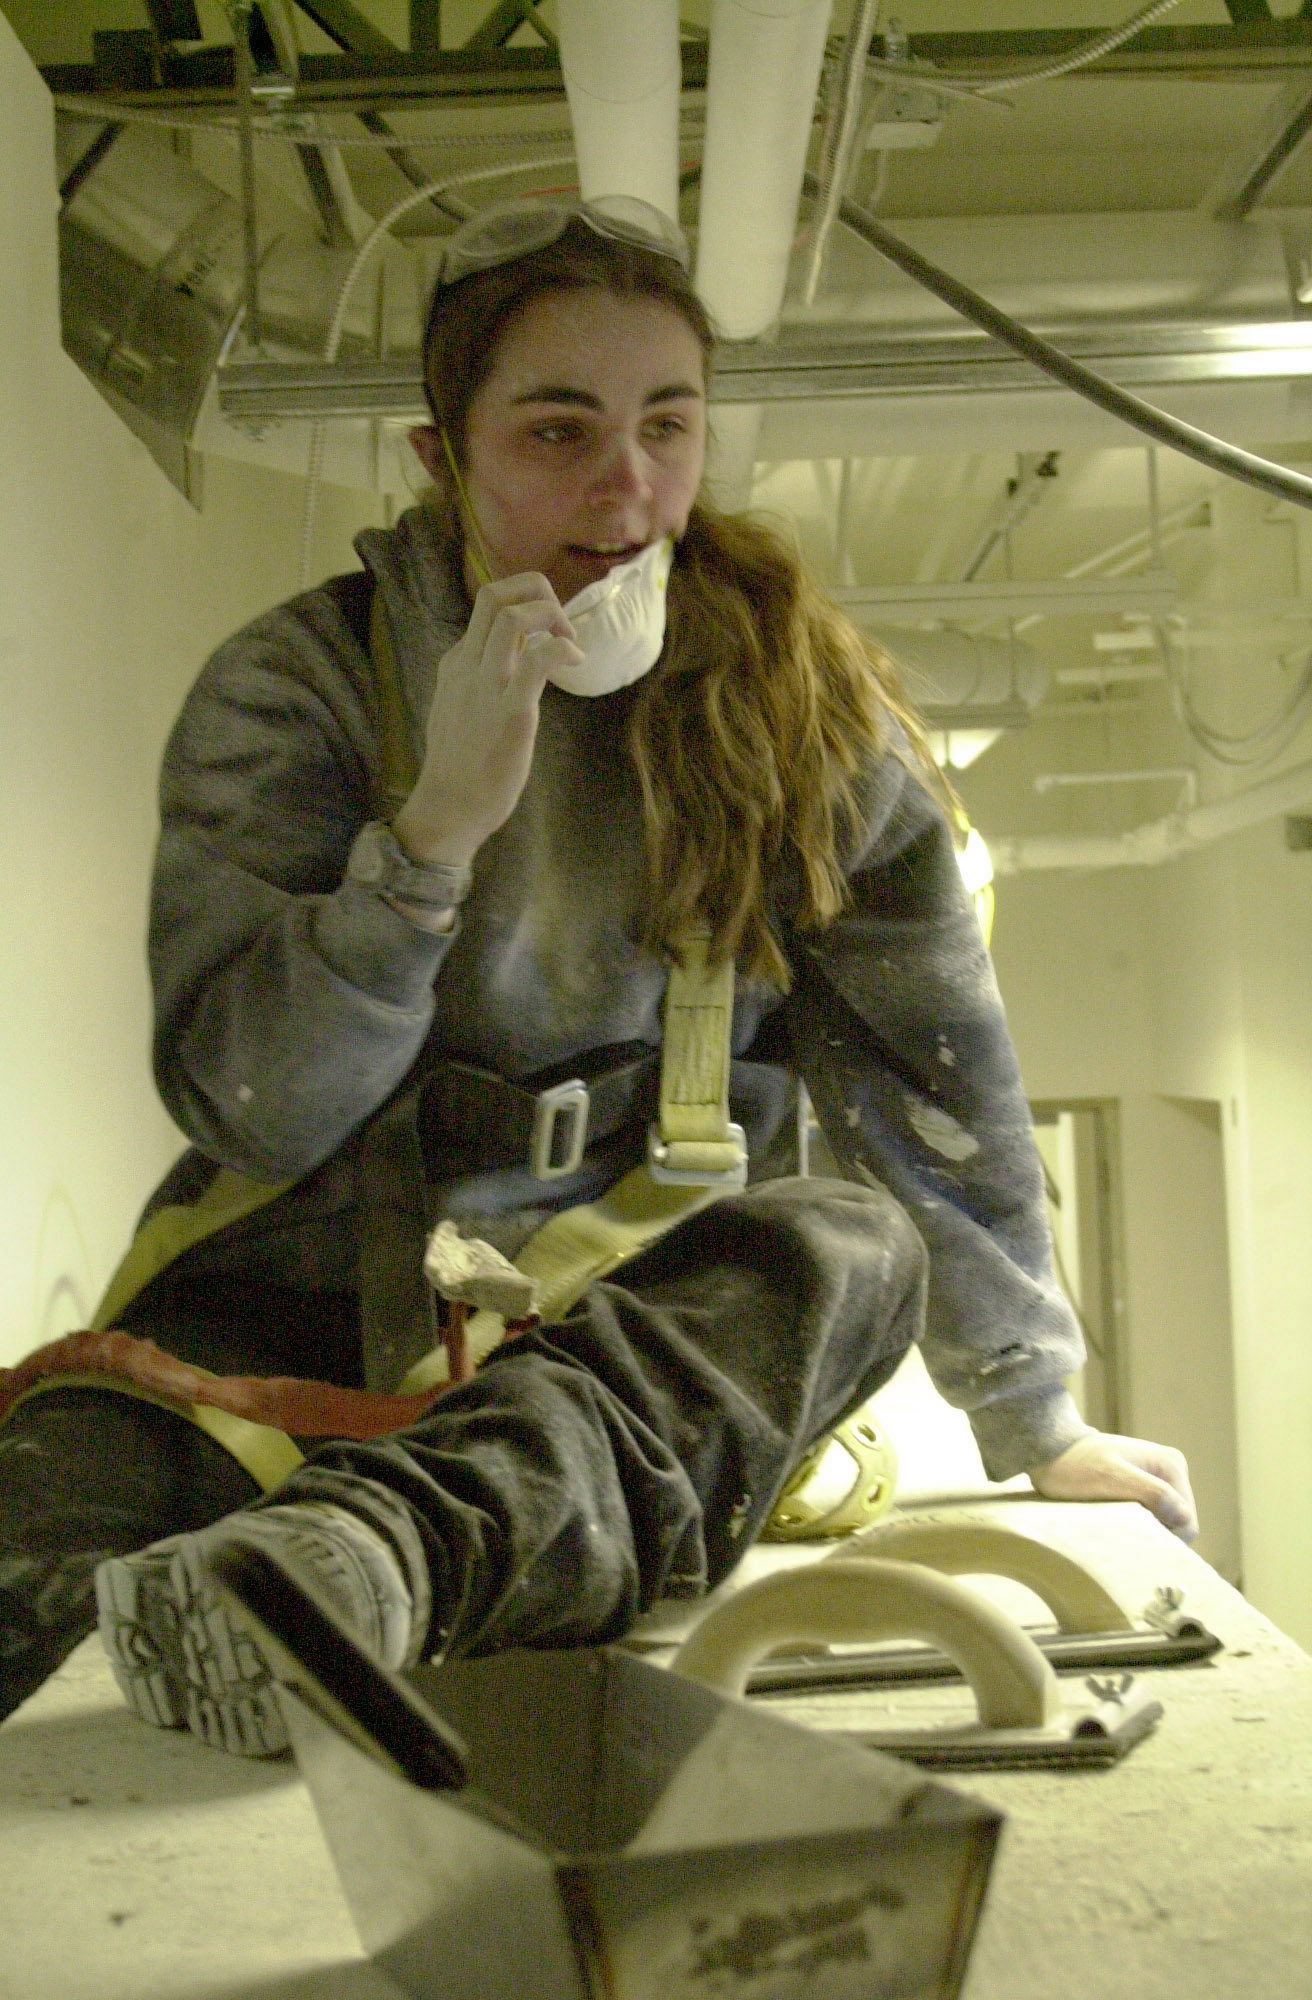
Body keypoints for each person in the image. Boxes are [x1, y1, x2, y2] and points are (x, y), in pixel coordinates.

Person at [0, 196, 1196, 1752]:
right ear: (447, 458)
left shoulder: (812, 720)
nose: (627, 489)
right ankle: (340, 1559)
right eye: (557, 432)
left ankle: (378, 1562)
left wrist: (1038, 1421)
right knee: (31, 1546)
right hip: (284, 1310)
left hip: (626, 1348)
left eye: (668, 427)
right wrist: (431, 838)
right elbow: (255, 1113)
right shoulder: (294, 692)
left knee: (846, 1244)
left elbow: (936, 1085)